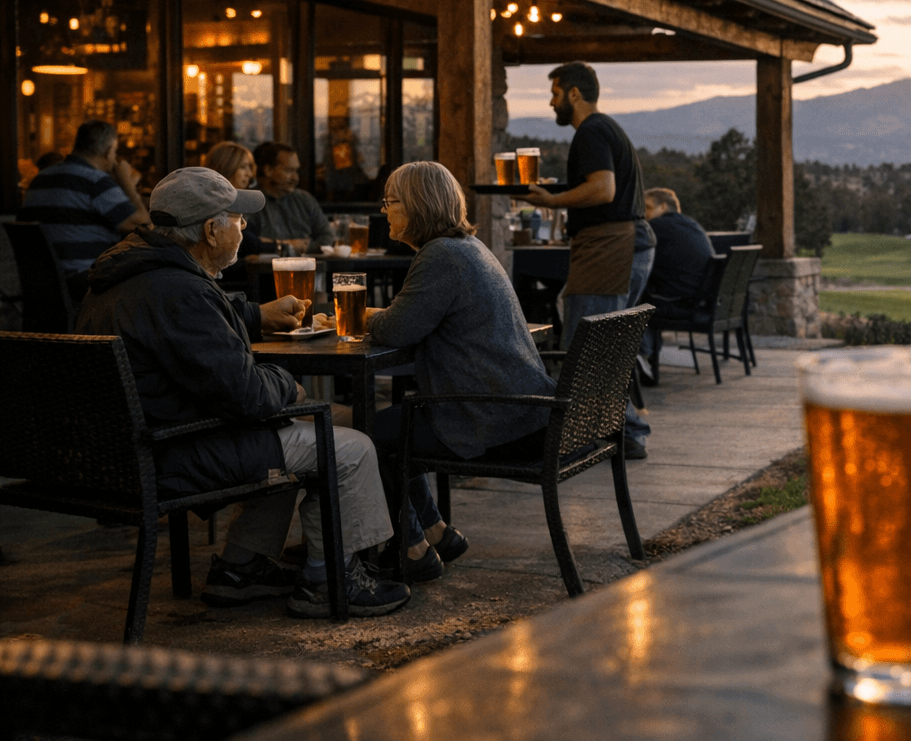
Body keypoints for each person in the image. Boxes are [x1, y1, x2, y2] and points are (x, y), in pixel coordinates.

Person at [75, 166, 409, 618]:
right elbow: (247, 396)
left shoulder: (132, 274)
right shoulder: (181, 293)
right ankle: (329, 580)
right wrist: (286, 383)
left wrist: (255, 315)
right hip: (172, 453)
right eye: (237, 219)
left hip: (126, 450)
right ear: (212, 231)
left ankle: (239, 568)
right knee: (346, 444)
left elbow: (187, 327)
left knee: (292, 433)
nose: (243, 227)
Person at [323, 161, 556, 582]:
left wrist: (359, 317)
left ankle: (412, 549)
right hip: (516, 408)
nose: (384, 211)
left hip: (489, 417)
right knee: (395, 425)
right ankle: (435, 531)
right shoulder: (467, 247)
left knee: (368, 436)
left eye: (391, 202)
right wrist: (382, 315)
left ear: (417, 206)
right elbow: (410, 321)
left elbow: (399, 328)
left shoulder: (441, 256)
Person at [526, 62, 655, 459]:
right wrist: (561, 191)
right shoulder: (606, 129)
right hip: (622, 244)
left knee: (587, 348)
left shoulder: (592, 131)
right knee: (601, 347)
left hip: (609, 246)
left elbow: (602, 189)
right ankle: (619, 432)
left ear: (574, 94)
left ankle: (612, 435)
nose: (551, 102)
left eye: (555, 93)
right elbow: (599, 187)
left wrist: (552, 201)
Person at [20, 120, 151, 300]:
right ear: (107, 151)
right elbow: (143, 225)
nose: (114, 159)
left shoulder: (40, 179)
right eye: (114, 152)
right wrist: (126, 182)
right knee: (154, 281)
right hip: (84, 281)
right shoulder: (95, 180)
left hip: (42, 285)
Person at [638, 187, 717, 385]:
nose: (643, 214)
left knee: (630, 298)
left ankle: (644, 356)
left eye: (647, 208)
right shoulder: (691, 223)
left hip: (679, 303)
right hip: (698, 300)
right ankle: (646, 352)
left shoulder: (657, 227)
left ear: (663, 206)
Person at [250, 141, 334, 252]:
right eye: (288, 170)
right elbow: (248, 243)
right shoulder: (250, 202)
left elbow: (327, 237)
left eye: (296, 171)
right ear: (268, 170)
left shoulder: (304, 199)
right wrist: (290, 245)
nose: (295, 178)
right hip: (268, 268)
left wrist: (305, 246)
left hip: (308, 267)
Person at [204, 142, 264, 270]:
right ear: (225, 167)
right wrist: (280, 245)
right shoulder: (212, 202)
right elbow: (248, 242)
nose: (249, 174)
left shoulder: (244, 201)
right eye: (243, 167)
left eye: (250, 167)